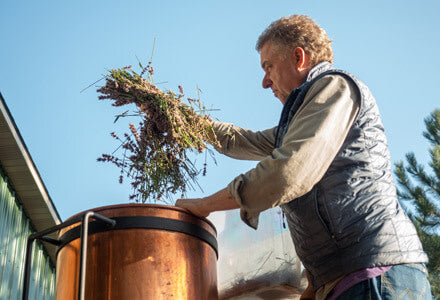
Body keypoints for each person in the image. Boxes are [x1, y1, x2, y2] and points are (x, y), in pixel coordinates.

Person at [175, 15, 433, 299]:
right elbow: (240, 141)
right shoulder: (301, 120)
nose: (264, 81)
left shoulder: (335, 89)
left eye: (268, 66)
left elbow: (285, 173)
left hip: (373, 275)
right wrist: (178, 120)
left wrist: (204, 205)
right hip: (348, 280)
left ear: (299, 58)